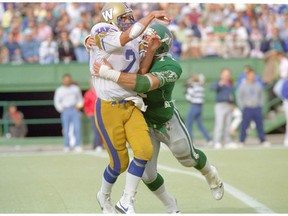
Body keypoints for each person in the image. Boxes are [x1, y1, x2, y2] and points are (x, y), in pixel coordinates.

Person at [93, 23, 224, 214]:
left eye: (150, 38)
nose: (144, 40)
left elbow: (143, 83)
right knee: (147, 173)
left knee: (187, 157)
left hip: (165, 119)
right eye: (145, 37)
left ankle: (210, 173)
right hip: (143, 118)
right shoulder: (136, 51)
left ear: (161, 44)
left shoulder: (171, 66)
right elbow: (114, 39)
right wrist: (90, 41)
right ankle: (171, 205)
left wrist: (108, 73)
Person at [86, 3, 171, 214]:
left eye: (129, 17)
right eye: (123, 17)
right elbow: (122, 39)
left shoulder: (132, 38)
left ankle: (127, 200)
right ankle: (103, 195)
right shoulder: (101, 29)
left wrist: (150, 50)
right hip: (108, 107)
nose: (128, 20)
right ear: (111, 17)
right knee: (119, 164)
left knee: (144, 151)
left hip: (131, 104)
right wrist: (150, 16)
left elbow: (140, 71)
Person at [237, 68, 270, 147]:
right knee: (244, 125)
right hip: (247, 108)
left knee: (260, 125)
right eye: (251, 75)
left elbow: (262, 96)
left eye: (254, 75)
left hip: (257, 108)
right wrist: (243, 106)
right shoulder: (242, 86)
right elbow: (239, 97)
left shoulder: (258, 85)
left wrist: (260, 105)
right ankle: (242, 140)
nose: (252, 76)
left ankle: (262, 140)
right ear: (247, 76)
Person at [54, 74, 83, 152]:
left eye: (68, 80)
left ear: (70, 80)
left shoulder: (76, 88)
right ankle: (67, 146)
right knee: (66, 129)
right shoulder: (59, 90)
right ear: (63, 81)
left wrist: (78, 106)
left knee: (77, 128)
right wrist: (61, 109)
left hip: (74, 109)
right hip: (65, 110)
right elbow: (56, 101)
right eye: (65, 80)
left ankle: (77, 145)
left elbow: (80, 99)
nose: (67, 81)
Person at [210, 68, 235, 149]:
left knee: (228, 124)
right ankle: (217, 141)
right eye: (225, 74)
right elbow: (212, 88)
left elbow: (231, 95)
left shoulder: (230, 84)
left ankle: (228, 141)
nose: (227, 76)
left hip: (228, 105)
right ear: (221, 75)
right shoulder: (219, 83)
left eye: (228, 74)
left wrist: (232, 103)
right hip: (220, 105)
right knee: (219, 124)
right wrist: (219, 84)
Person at [185, 73, 212, 144]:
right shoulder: (201, 87)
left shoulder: (193, 87)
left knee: (189, 123)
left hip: (194, 106)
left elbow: (188, 98)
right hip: (200, 107)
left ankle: (190, 141)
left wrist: (187, 90)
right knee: (200, 125)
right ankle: (209, 139)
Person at [83, 80, 103, 152]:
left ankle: (96, 144)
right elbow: (86, 104)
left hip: (101, 113)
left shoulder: (101, 91)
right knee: (96, 129)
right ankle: (98, 145)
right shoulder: (88, 93)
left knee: (101, 129)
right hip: (93, 113)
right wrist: (88, 112)